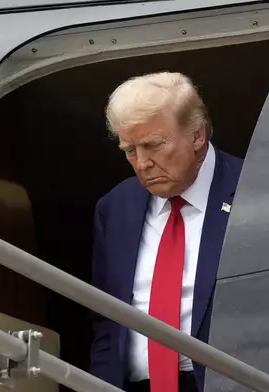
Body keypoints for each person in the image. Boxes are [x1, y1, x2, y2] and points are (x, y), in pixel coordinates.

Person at [89, 71, 243, 392]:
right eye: (130, 150)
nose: (142, 163)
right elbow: (106, 324)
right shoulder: (115, 208)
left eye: (153, 146)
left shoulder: (250, 190)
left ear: (198, 135)